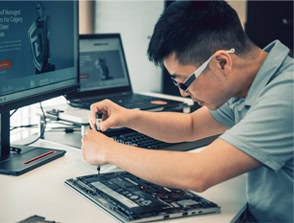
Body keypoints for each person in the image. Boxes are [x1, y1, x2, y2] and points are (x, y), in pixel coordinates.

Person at [81, 1, 293, 222]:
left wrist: (108, 151)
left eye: (184, 82)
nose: (183, 94)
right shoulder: (248, 83)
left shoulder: (286, 94)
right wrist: (129, 117)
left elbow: (198, 173)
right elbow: (191, 126)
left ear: (221, 62)